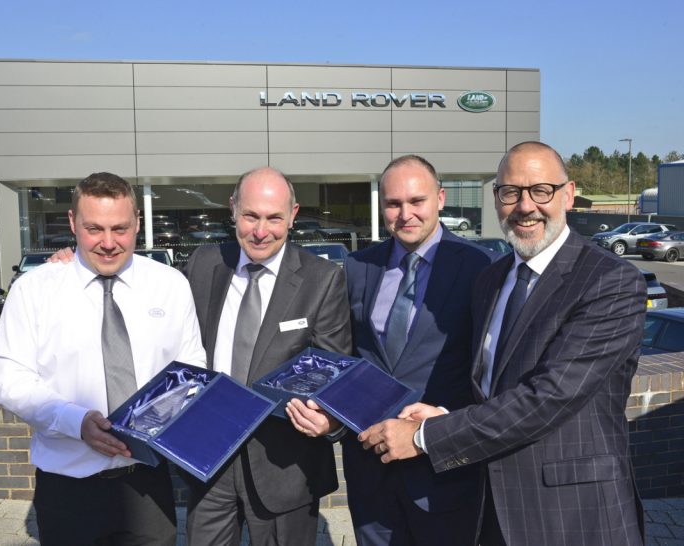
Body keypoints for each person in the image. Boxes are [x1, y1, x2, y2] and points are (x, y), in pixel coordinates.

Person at [360, 142, 646, 545]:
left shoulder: (610, 282)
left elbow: (547, 397)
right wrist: (442, 413)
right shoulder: (492, 280)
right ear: (497, 200)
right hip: (492, 504)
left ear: (568, 193)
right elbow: (495, 389)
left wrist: (426, 436)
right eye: (511, 192)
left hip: (574, 514)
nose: (525, 206)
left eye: (540, 190)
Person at [0, 172, 206, 545]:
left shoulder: (171, 285)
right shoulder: (33, 291)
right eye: (94, 229)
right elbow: (10, 380)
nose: (108, 243)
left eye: (120, 228)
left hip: (148, 484)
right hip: (67, 487)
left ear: (138, 222)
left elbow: (192, 370)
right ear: (73, 223)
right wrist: (75, 421)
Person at [296, 155, 493, 545]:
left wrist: (444, 425)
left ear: (439, 199)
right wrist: (332, 418)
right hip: (370, 470)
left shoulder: (481, 267)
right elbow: (343, 356)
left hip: (443, 470)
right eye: (393, 203)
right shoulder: (357, 267)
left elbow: (489, 368)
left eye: (416, 201)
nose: (406, 214)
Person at [182, 166, 352, 546]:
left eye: (274, 217)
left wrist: (330, 422)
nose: (261, 231)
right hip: (210, 458)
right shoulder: (204, 263)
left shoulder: (322, 279)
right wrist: (72, 261)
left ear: (293, 215)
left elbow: (334, 372)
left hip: (284, 466)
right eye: (250, 216)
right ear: (233, 209)